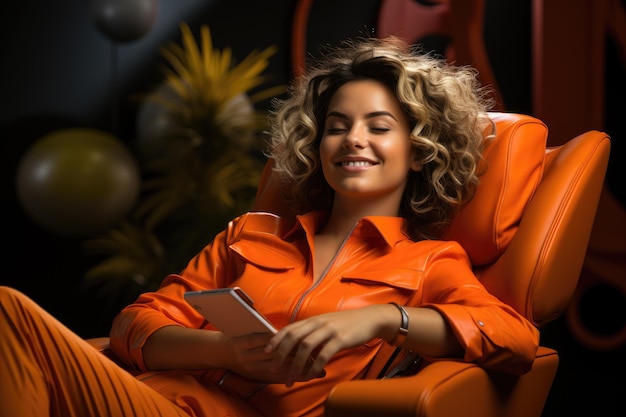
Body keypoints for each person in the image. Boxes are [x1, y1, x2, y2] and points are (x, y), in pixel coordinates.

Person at [0, 36, 539, 417]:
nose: (353, 139)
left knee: (7, 309)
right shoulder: (248, 234)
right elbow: (135, 324)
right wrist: (226, 352)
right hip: (146, 396)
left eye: (379, 127)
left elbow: (516, 340)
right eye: (336, 127)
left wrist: (381, 320)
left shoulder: (428, 262)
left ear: (419, 152)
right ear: (317, 145)